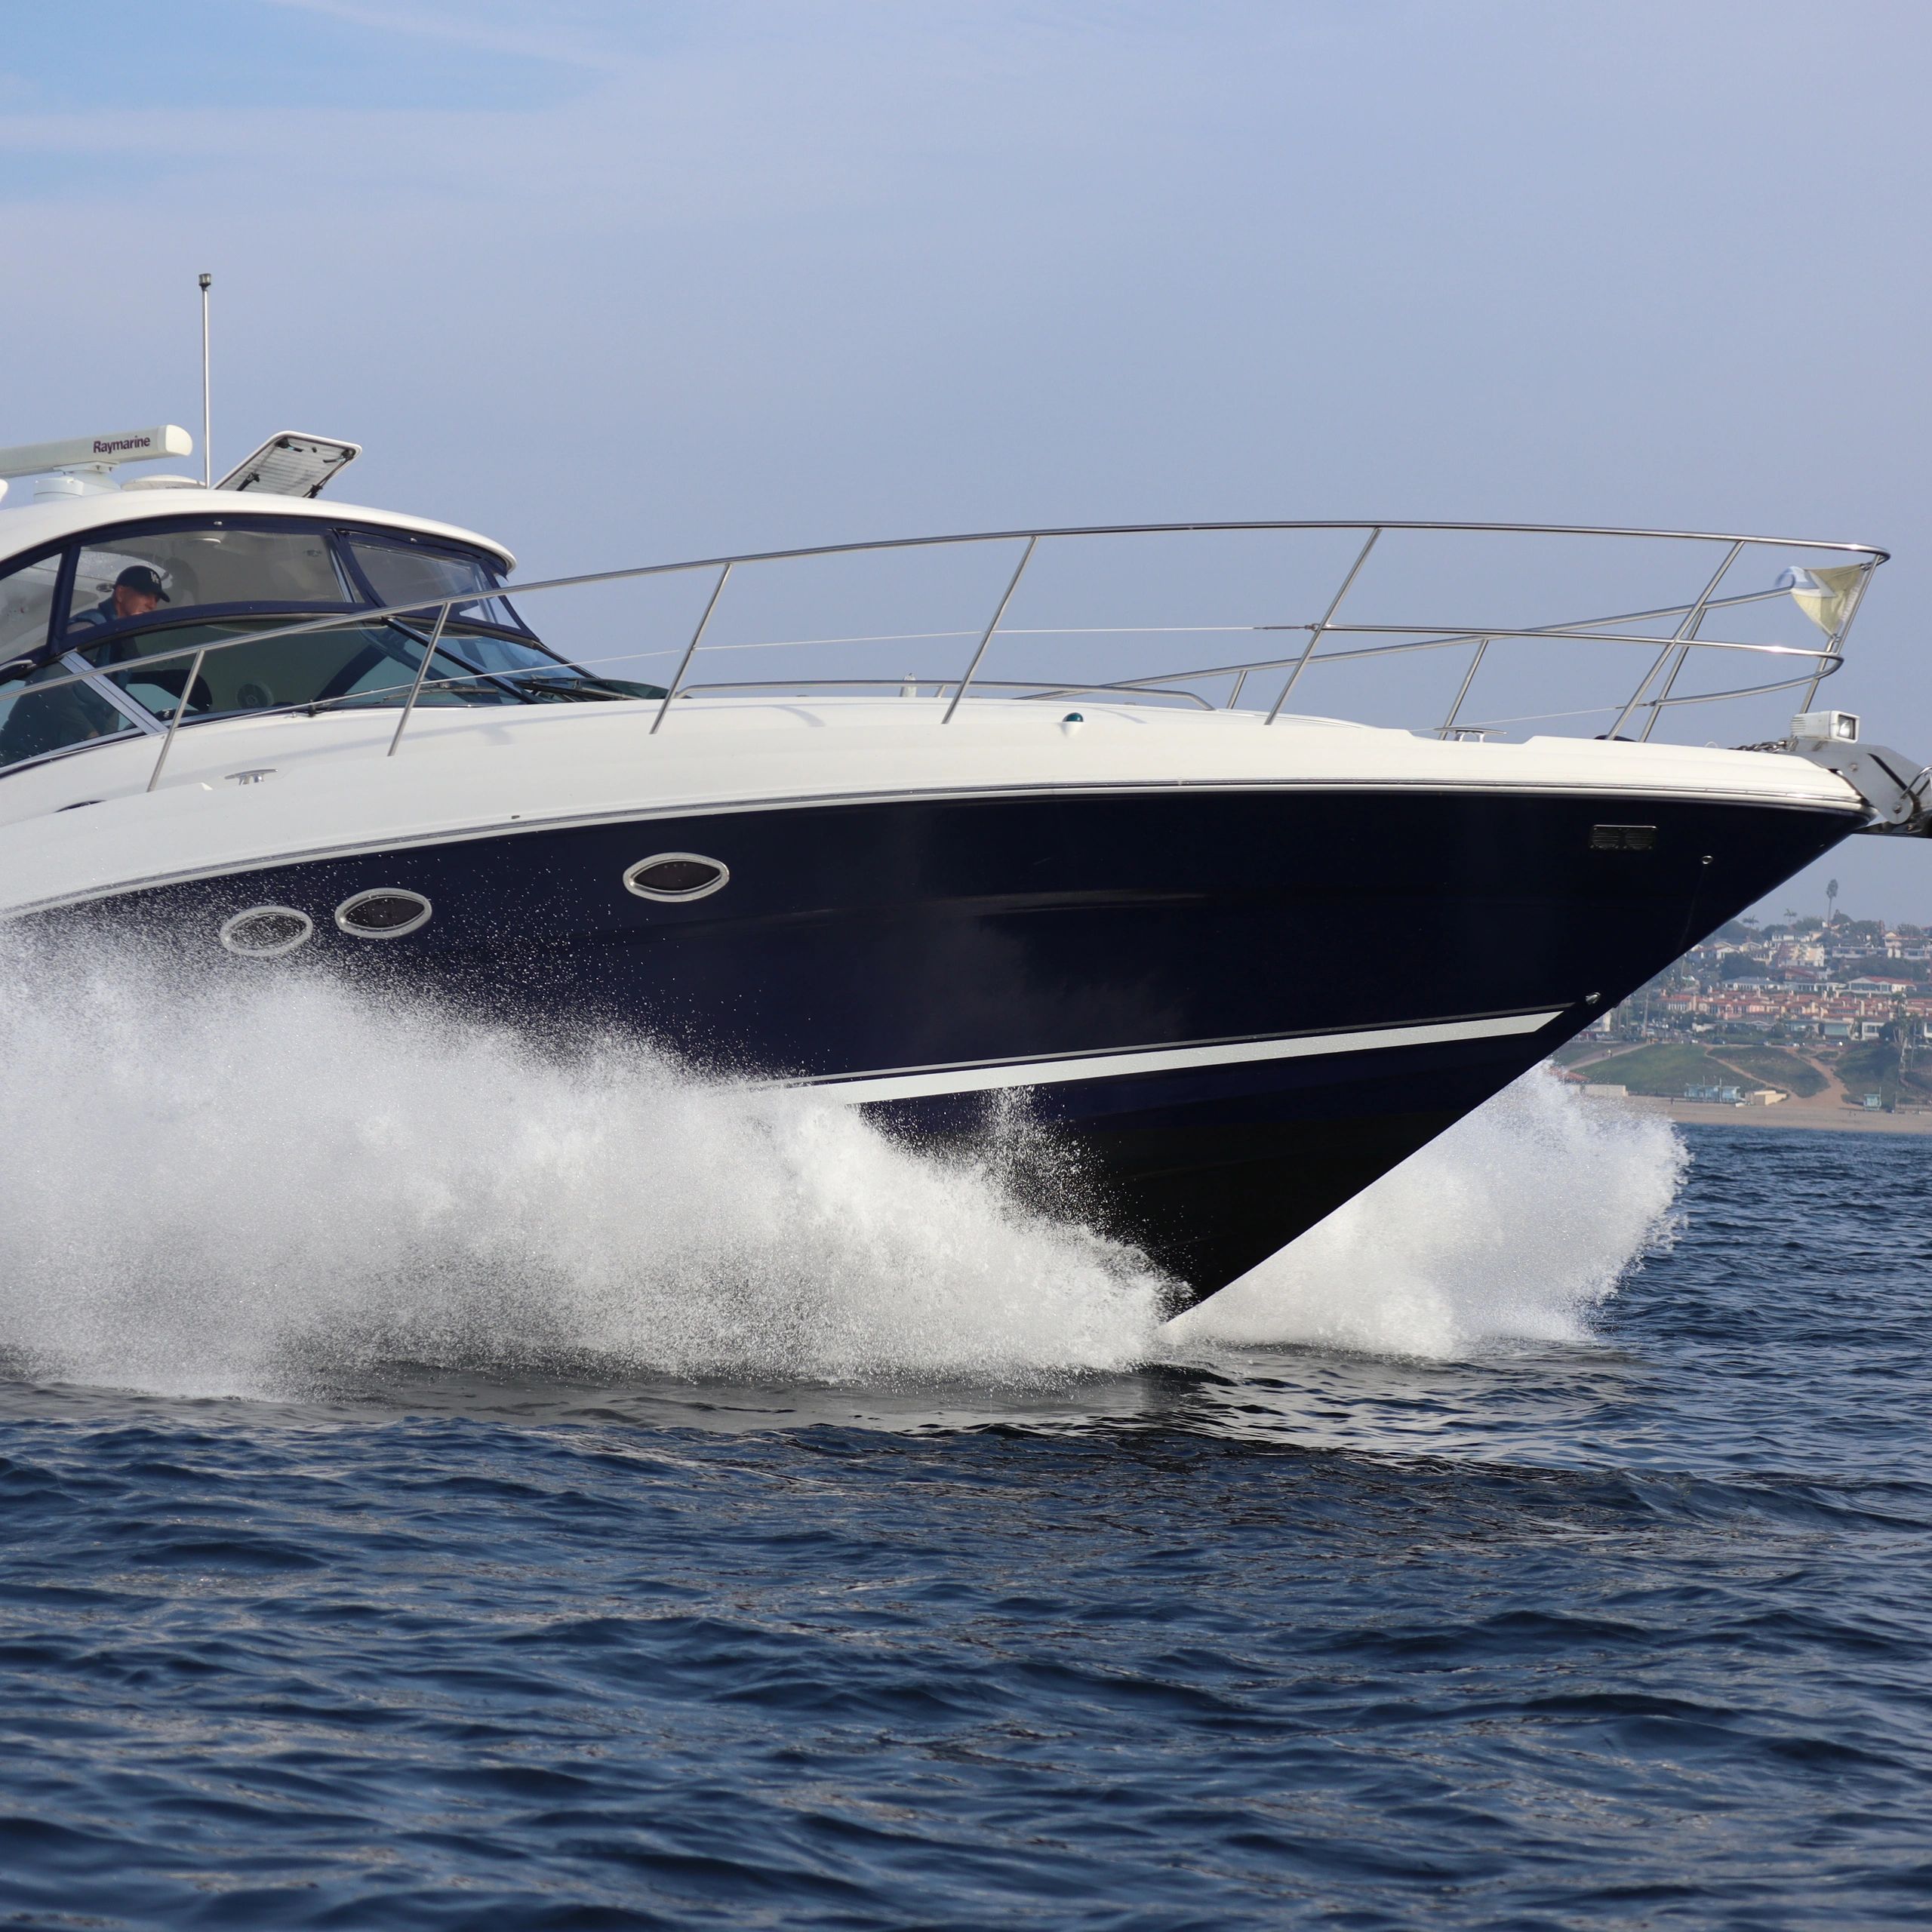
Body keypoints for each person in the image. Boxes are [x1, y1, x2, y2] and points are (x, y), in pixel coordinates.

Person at [69, 563, 171, 632]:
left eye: (156, 599)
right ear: (121, 593)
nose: (152, 605)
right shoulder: (89, 628)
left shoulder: (127, 631)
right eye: (145, 595)